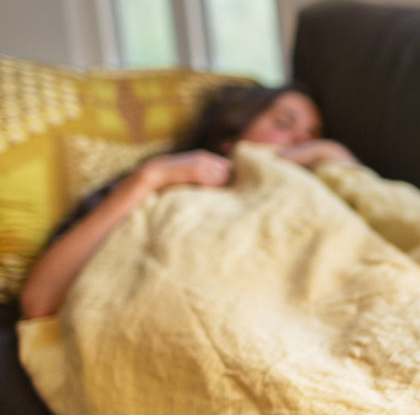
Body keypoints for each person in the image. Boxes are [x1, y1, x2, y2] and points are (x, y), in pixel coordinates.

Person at [19, 83, 360, 320]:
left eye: (314, 135)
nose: (302, 140)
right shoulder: (163, 185)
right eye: (283, 124)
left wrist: (330, 153)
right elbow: (40, 300)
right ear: (229, 136)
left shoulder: (312, 185)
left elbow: (378, 212)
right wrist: (148, 180)